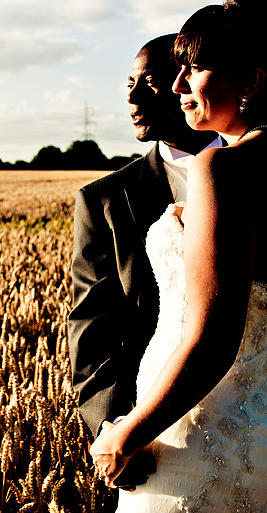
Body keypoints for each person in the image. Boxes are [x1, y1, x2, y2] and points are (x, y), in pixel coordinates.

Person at [86, 0, 267, 512]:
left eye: (195, 68)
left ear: (251, 82)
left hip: (200, 436)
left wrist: (129, 433)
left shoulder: (219, 170)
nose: (178, 84)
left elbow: (213, 340)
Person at [68, 33, 223, 489]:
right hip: (154, 441)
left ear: (186, 82)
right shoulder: (105, 200)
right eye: (129, 83)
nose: (132, 96)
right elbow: (92, 329)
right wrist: (114, 426)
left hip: (261, 422)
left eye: (149, 82)